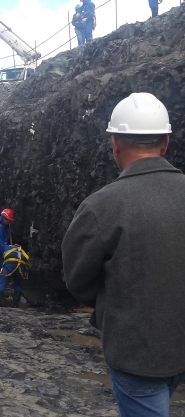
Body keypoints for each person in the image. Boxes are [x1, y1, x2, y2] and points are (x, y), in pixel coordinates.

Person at [63, 92, 185, 416]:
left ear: (115, 144)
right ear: (166, 142)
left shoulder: (101, 207)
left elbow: (77, 279)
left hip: (136, 354)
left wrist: (111, 298)